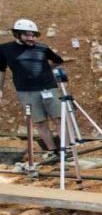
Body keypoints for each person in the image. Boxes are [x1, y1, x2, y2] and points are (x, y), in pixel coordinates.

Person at [0, 19, 63, 155]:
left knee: (59, 119)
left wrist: (45, 71)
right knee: (40, 122)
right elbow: (1, 70)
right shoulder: (4, 49)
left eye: (33, 35)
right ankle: (53, 151)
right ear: (17, 34)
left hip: (48, 88)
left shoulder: (43, 47)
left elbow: (58, 61)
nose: (31, 38)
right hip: (26, 91)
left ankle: (66, 151)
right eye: (27, 35)